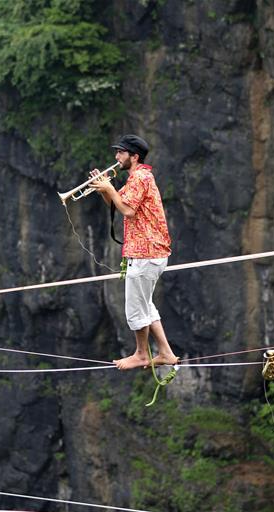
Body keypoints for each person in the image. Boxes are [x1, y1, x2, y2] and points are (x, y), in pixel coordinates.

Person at [90, 134, 178, 370]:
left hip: (146, 253)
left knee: (135, 308)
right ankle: (166, 353)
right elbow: (116, 204)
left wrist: (109, 187)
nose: (116, 157)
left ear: (134, 156)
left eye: (121, 152)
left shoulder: (140, 177)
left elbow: (127, 210)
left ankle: (141, 354)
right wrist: (104, 190)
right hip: (149, 253)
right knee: (146, 305)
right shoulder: (137, 178)